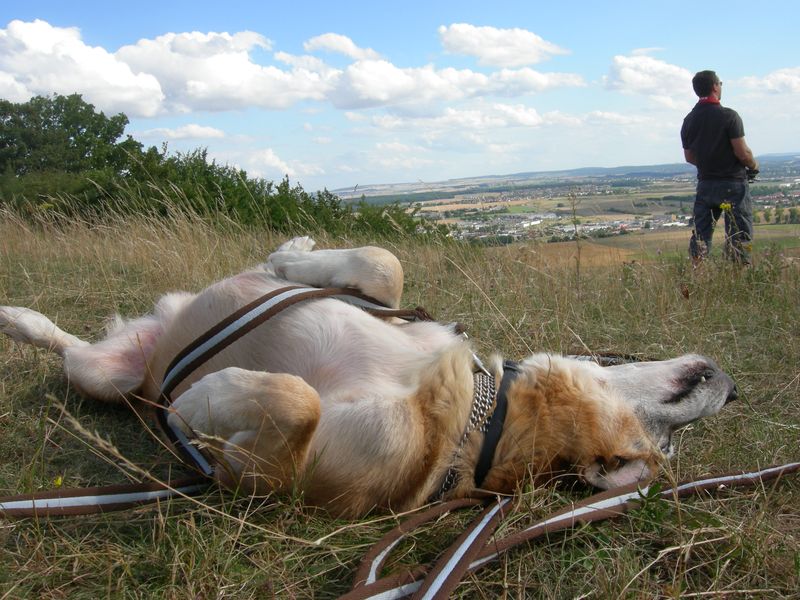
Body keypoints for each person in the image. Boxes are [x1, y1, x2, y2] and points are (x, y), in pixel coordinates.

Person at [681, 70, 758, 265]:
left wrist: (710, 163)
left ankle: (696, 275)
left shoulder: (689, 120)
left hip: (705, 184)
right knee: (738, 235)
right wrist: (754, 165)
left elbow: (689, 157)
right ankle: (736, 278)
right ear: (715, 86)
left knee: (701, 236)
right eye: (720, 83)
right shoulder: (729, 116)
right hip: (733, 183)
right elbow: (743, 153)